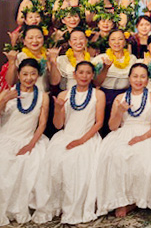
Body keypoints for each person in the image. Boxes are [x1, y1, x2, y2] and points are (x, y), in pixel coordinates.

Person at [33, 61, 105, 224]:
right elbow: (58, 125)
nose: (84, 76)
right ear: (75, 75)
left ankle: (74, 206)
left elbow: (99, 122)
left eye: (88, 73)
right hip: (66, 135)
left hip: (87, 137)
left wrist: (81, 140)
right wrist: (58, 109)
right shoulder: (63, 95)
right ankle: (56, 204)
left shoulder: (98, 95)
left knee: (77, 162)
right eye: (81, 72)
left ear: (92, 76)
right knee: (55, 161)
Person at [96, 63, 151, 217]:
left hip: (147, 133)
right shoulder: (120, 98)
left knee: (142, 156)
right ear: (129, 78)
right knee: (116, 156)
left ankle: (136, 199)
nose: (138, 80)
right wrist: (119, 112)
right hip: (123, 132)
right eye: (135, 76)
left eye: (142, 77)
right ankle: (121, 199)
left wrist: (142, 137)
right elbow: (112, 126)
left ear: (147, 79)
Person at [0, 59, 49, 225]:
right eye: (25, 74)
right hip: (6, 138)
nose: (29, 78)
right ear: (19, 75)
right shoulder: (7, 92)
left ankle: (21, 207)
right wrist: (4, 100)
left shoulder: (42, 96)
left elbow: (42, 124)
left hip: (29, 138)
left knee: (32, 161)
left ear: (38, 75)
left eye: (33, 74)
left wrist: (31, 144)